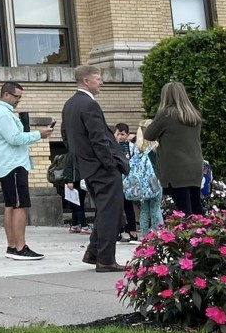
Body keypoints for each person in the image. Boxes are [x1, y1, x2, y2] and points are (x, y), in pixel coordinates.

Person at [62, 65, 130, 273]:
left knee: (104, 210)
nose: (101, 82)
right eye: (98, 78)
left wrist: (82, 160)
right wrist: (109, 164)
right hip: (101, 167)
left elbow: (66, 137)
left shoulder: (69, 104)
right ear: (86, 81)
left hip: (87, 167)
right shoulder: (89, 104)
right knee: (111, 212)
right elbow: (98, 139)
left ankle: (93, 252)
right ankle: (106, 260)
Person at [0, 80, 52, 261]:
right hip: (13, 164)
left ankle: (13, 246)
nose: (18, 100)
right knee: (20, 206)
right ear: (6, 94)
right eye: (16, 96)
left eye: (20, 97)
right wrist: (39, 134)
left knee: (11, 205)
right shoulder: (2, 114)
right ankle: (20, 248)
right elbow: (14, 138)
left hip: (6, 164)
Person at [143, 81, 205, 216]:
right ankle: (204, 228)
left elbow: (149, 135)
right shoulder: (194, 115)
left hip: (176, 169)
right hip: (195, 166)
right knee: (196, 206)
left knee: (184, 210)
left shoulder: (166, 114)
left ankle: (190, 230)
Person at [132, 120, 164, 237]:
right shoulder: (156, 145)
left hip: (142, 182)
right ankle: (158, 233)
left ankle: (144, 235)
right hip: (155, 179)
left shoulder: (137, 147)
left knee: (144, 208)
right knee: (155, 207)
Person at [113, 124, 139, 241]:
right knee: (116, 207)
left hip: (128, 180)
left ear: (127, 135)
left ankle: (132, 231)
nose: (120, 137)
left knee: (129, 206)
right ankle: (118, 231)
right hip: (116, 179)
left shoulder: (132, 147)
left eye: (122, 134)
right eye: (118, 134)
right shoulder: (113, 146)